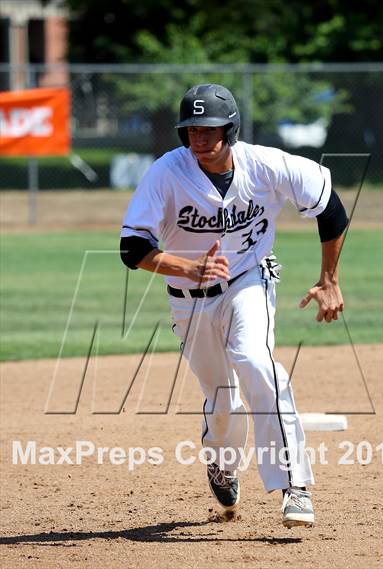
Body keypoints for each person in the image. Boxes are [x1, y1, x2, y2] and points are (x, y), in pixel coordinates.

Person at [120, 84, 348, 528]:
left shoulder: (267, 165)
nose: (199, 139)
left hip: (250, 279)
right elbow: (132, 248)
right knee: (222, 400)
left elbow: (331, 208)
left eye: (209, 129)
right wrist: (187, 268)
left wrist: (329, 280)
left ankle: (293, 486)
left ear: (231, 128)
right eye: (191, 130)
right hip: (189, 302)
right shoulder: (166, 173)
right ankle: (221, 464)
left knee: (257, 364)